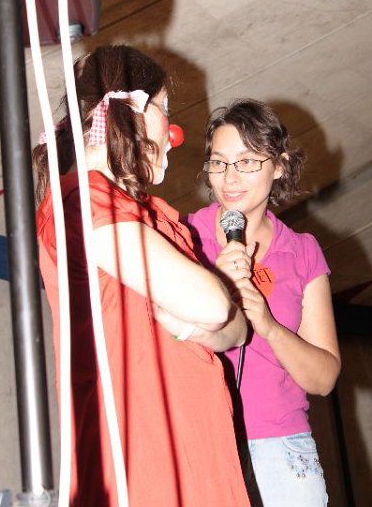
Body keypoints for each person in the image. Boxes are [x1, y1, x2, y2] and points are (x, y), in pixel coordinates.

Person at [33, 45, 252, 507]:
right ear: (131, 108)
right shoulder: (81, 199)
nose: (173, 134)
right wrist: (205, 319)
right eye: (164, 108)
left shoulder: (155, 216)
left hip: (196, 448)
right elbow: (214, 305)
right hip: (141, 458)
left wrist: (193, 327)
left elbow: (236, 329)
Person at [186, 99, 341, 507]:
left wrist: (268, 326)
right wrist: (216, 285)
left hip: (283, 448)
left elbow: (323, 378)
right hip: (201, 441)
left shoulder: (302, 251)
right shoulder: (182, 236)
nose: (230, 177)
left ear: (280, 166)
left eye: (247, 162)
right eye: (219, 162)